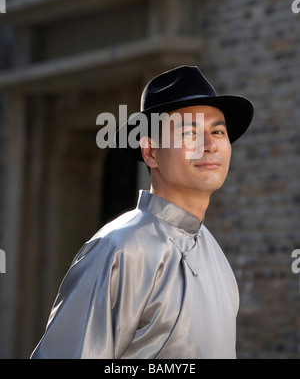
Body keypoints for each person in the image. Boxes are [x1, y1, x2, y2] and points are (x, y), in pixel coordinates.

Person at [31, 65, 254, 359]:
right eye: (190, 132)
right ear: (150, 152)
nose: (209, 145)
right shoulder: (119, 248)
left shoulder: (217, 258)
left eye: (217, 131)